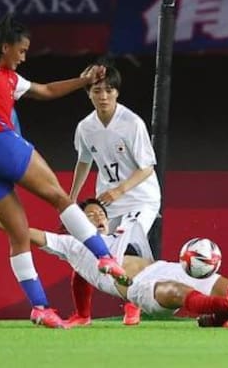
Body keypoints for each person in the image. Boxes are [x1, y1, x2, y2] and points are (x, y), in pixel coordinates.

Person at [0, 7, 130, 329]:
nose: (23, 57)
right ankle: (103, 256)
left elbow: (46, 91)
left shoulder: (11, 78)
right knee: (61, 199)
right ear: (5, 46)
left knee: (18, 236)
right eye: (21, 51)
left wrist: (83, 80)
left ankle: (40, 307)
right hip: (0, 144)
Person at [0, 194, 228, 327]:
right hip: (139, 287)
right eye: (88, 215)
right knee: (175, 292)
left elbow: (146, 193)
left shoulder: (126, 229)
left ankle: (216, 317)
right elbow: (22, 231)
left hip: (168, 267)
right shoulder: (70, 244)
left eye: (100, 214)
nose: (97, 217)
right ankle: (221, 308)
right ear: (75, 222)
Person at [68, 62, 162, 326]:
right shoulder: (85, 127)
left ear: (117, 93)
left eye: (109, 90)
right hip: (106, 202)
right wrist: (71, 197)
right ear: (89, 93)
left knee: (127, 247)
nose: (104, 96)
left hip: (141, 198)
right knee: (88, 249)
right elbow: (84, 161)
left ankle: (133, 305)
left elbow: (147, 168)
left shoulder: (132, 123)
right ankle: (82, 314)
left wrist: (119, 190)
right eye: (98, 90)